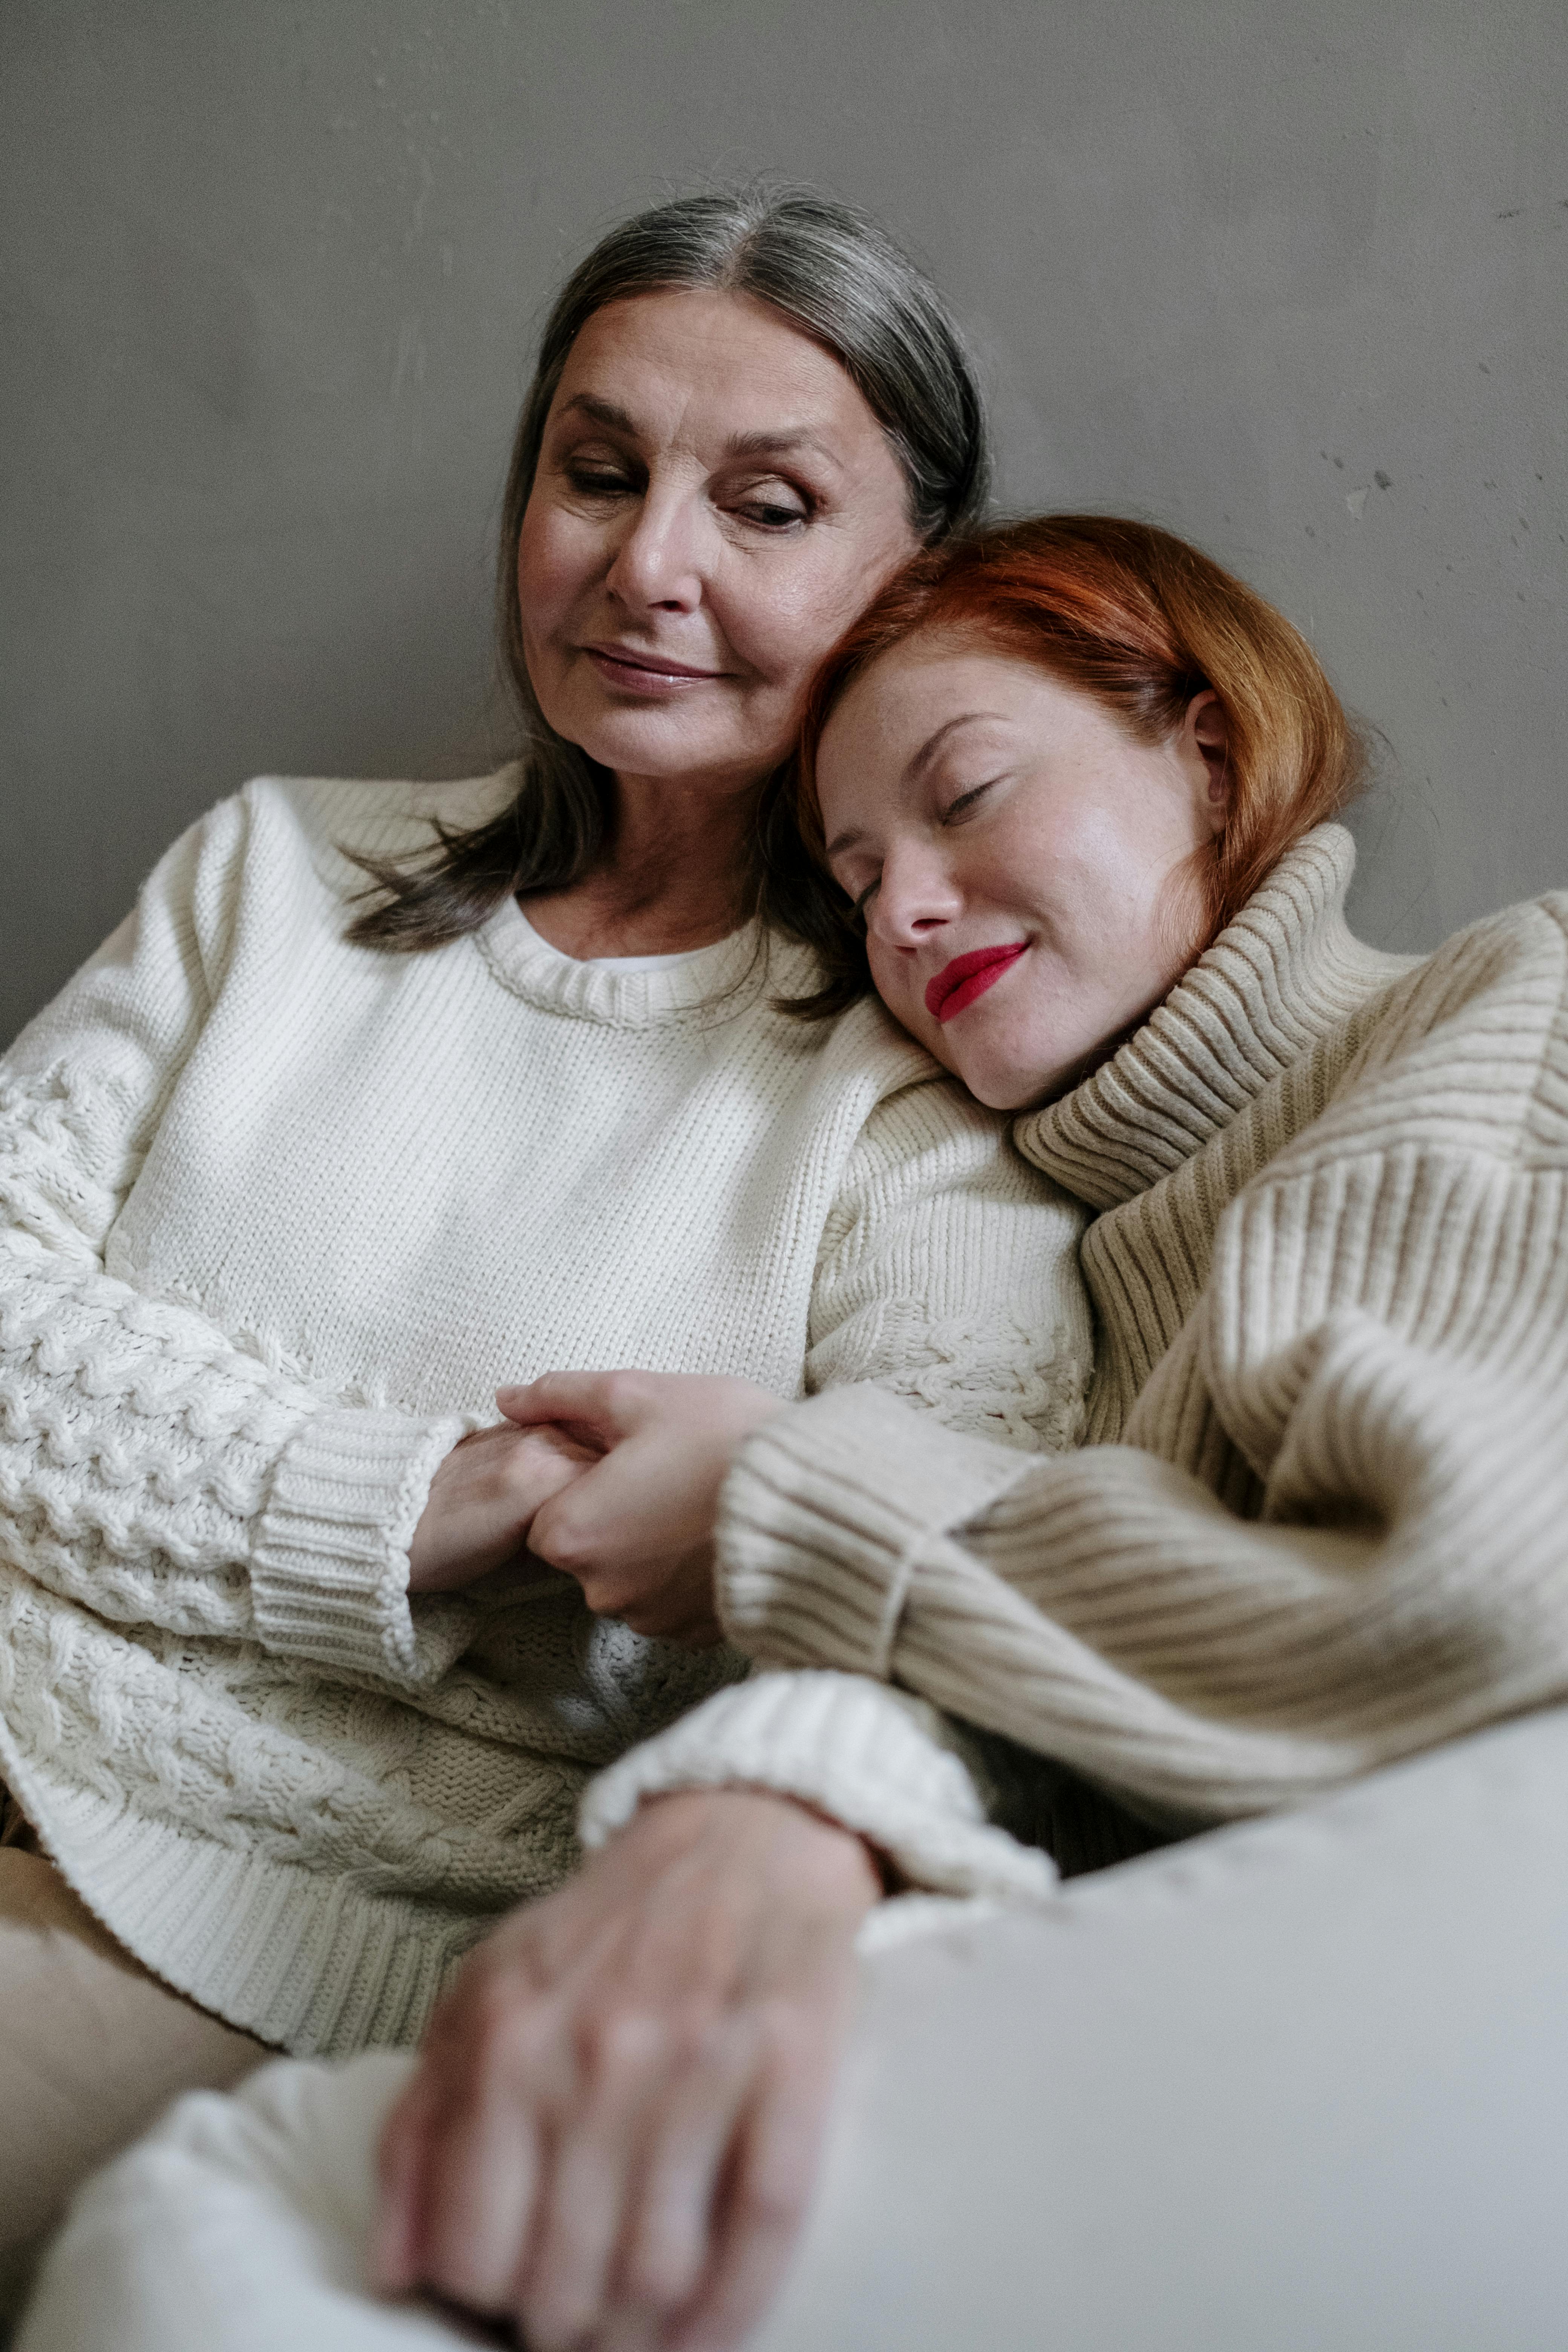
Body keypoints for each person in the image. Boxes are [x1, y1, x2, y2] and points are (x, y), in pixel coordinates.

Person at [129, 507, 1561, 2352]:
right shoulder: (1070, 1272)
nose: (899, 907)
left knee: (221, 2237)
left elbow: (1469, 1615)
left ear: (1202, 756)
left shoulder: (1495, 1019)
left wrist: (782, 1503)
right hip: (1196, 2086)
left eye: (964, 798)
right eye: (853, 867)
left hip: (1446, 2053)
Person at [0, 197, 1096, 2315]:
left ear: (912, 583)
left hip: (218, 1922)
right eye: (599, 473)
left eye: (765, 505)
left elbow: (969, 1579)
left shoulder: (916, 1082)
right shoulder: (270, 870)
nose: (646, 566)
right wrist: (405, 1507)